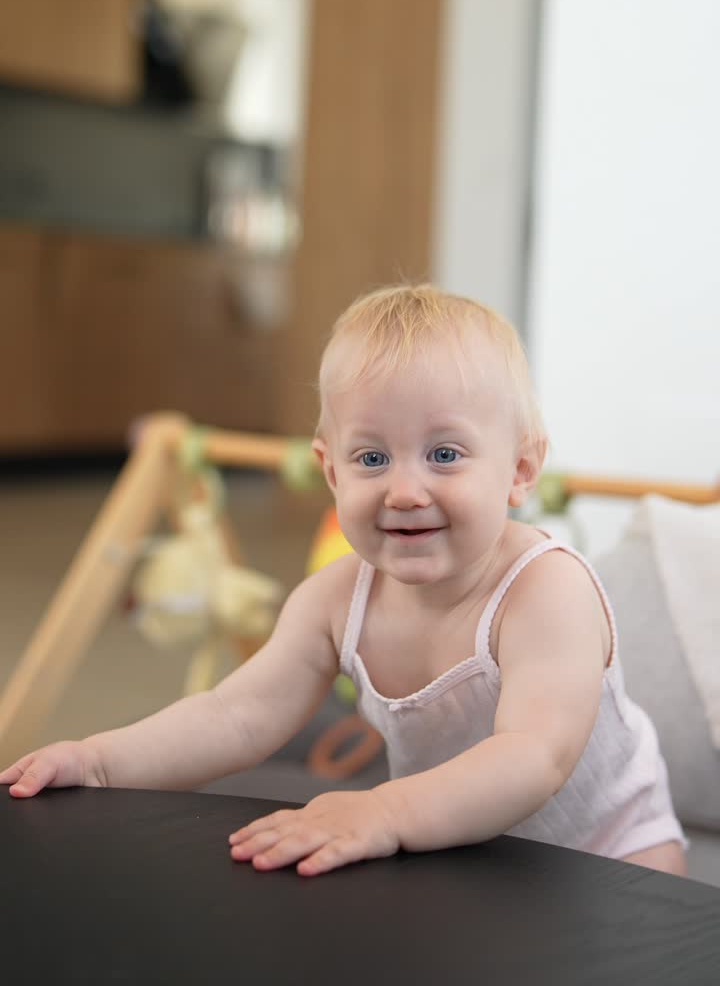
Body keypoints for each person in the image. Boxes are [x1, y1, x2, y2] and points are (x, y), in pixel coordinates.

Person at [1, 284, 687, 878]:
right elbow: (235, 714)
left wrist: (383, 810)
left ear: (520, 470)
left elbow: (534, 756)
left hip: (612, 857)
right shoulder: (336, 600)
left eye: (445, 454)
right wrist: (96, 763)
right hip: (455, 843)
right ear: (331, 472)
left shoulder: (545, 592)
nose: (406, 490)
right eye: (372, 457)